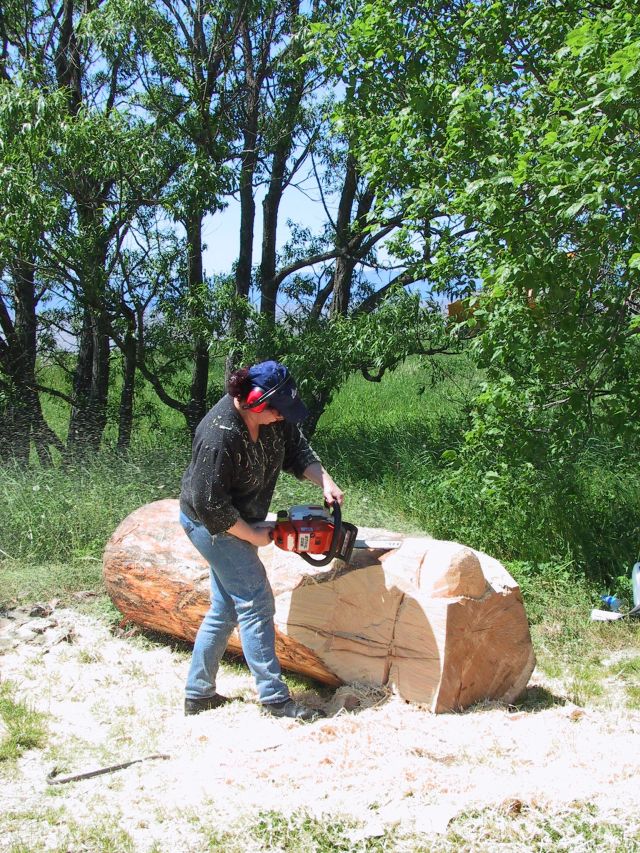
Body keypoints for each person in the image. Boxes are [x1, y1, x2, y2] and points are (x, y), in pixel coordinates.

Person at [179, 360, 343, 721]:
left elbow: (298, 452)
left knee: (225, 608)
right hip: (210, 525)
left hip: (238, 517)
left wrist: (324, 480)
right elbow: (210, 505)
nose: (283, 418)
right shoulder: (219, 434)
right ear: (254, 402)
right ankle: (274, 699)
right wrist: (252, 533)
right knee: (255, 599)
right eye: (278, 412)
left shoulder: (274, 421)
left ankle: (198, 693)